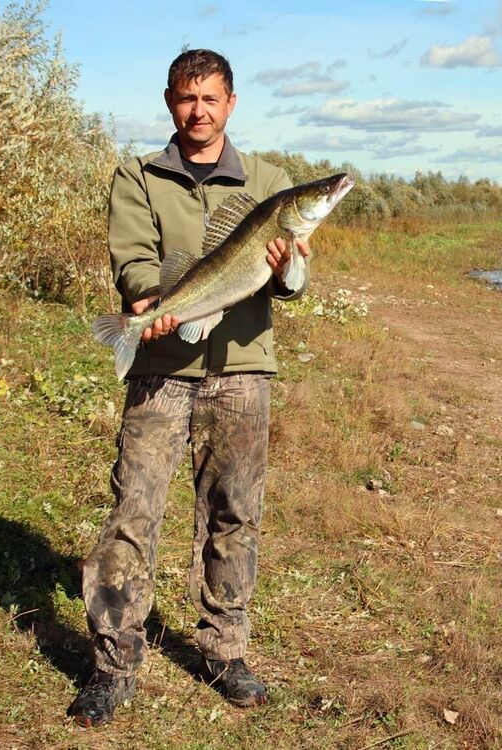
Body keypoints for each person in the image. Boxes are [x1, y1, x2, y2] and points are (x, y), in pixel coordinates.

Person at [67, 48, 309, 728]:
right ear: (170, 102)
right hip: (160, 370)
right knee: (132, 512)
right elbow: (137, 263)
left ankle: (224, 652)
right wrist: (151, 303)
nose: (196, 110)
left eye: (209, 98)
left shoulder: (270, 185)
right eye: (184, 98)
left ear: (231, 103)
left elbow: (292, 285)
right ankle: (113, 666)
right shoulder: (138, 177)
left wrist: (288, 266)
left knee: (235, 511)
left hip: (242, 372)